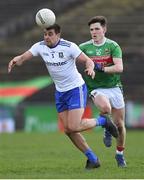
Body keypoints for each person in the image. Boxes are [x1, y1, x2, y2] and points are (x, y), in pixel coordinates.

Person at [8, 23, 118, 169]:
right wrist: (16, 60)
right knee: (68, 130)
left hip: (75, 89)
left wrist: (90, 68)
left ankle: (103, 121)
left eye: (50, 34)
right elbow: (24, 57)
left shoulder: (69, 46)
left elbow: (88, 60)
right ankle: (93, 159)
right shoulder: (40, 46)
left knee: (73, 126)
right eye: (45, 34)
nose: (47, 37)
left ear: (58, 35)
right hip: (60, 92)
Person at [79, 16, 127, 168]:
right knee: (105, 108)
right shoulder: (84, 47)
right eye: (92, 29)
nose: (94, 32)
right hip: (96, 88)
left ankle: (119, 154)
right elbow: (71, 56)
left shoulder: (113, 46)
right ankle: (106, 124)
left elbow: (119, 68)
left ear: (104, 29)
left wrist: (101, 68)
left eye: (97, 29)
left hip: (114, 87)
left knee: (119, 125)